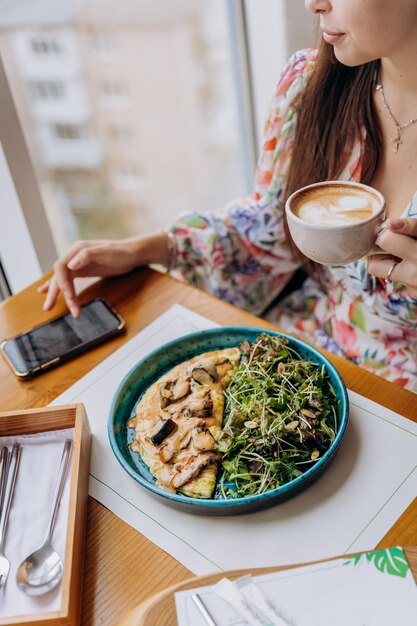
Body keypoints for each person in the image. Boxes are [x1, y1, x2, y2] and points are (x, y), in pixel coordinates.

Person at [39, 0, 417, 390]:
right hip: (304, 359)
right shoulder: (311, 84)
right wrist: (149, 248)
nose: (313, 3)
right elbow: (267, 230)